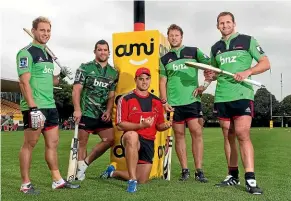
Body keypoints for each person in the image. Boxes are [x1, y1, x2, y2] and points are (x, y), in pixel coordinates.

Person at [203, 11, 270, 194]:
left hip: (242, 94)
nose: (224, 25)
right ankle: (232, 174)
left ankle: (250, 179)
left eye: (227, 22)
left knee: (242, 133)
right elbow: (215, 72)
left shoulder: (248, 40)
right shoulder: (215, 47)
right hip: (222, 96)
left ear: (234, 23)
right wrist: (210, 76)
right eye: (221, 23)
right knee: (228, 135)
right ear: (218, 26)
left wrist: (248, 72)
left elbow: (265, 63)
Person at [16, 16, 79, 194]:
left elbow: (50, 81)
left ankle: (57, 180)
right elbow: (23, 83)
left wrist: (62, 76)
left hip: (50, 105)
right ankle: (25, 184)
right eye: (42, 30)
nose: (46, 33)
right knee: (30, 144)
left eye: (48, 30)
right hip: (34, 106)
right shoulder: (26, 53)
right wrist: (32, 108)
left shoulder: (48, 55)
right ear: (34, 31)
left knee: (53, 144)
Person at [100, 67, 172, 193]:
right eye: (141, 79)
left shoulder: (156, 101)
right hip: (131, 137)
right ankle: (132, 180)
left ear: (150, 80)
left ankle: (113, 173)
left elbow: (159, 126)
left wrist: (165, 125)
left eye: (147, 79)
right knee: (133, 135)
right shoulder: (126, 99)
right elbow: (120, 125)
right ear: (136, 80)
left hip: (149, 141)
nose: (144, 82)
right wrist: (140, 126)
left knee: (143, 179)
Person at [159, 24, 210, 182]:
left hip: (192, 100)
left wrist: (204, 86)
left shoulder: (193, 51)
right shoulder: (164, 59)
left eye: (176, 35)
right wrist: (164, 101)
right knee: (179, 135)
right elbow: (162, 81)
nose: (173, 38)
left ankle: (199, 170)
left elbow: (210, 67)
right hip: (174, 103)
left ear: (182, 37)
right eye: (171, 35)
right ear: (168, 38)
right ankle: (185, 170)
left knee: (197, 132)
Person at [72, 39, 119, 181]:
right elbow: (76, 90)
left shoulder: (113, 72)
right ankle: (79, 173)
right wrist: (77, 109)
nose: (102, 52)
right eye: (100, 49)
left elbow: (112, 96)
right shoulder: (84, 68)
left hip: (102, 114)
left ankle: (84, 164)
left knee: (110, 139)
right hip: (86, 112)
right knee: (82, 144)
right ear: (95, 51)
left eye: (105, 50)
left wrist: (109, 111)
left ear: (109, 52)